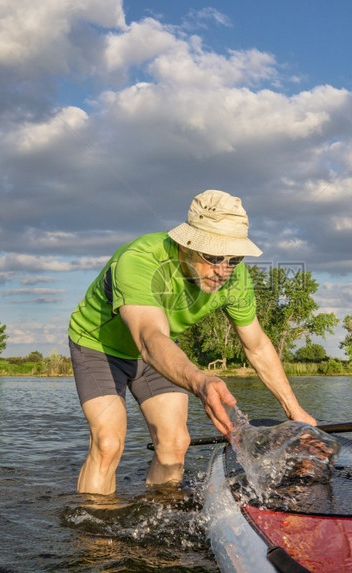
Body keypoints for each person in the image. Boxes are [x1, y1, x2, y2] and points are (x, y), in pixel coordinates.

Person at [68, 189, 317, 495]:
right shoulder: (140, 261)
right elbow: (149, 338)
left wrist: (295, 412)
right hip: (99, 347)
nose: (223, 271)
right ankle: (90, 536)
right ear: (186, 245)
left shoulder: (234, 279)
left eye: (234, 259)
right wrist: (199, 380)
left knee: (175, 443)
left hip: (160, 353)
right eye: (213, 256)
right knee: (108, 443)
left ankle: (159, 519)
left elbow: (257, 346)